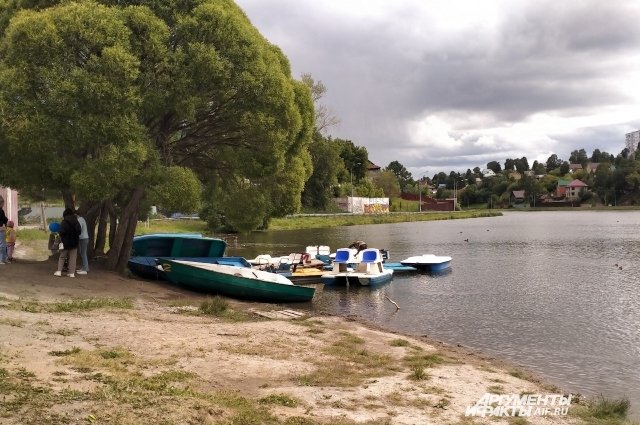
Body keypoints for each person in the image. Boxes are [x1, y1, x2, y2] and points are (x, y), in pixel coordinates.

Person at [54, 208, 81, 278]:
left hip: (65, 242)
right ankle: (71, 273)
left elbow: (62, 232)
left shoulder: (64, 222)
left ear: (65, 214)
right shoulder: (76, 221)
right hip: (75, 242)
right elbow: (79, 231)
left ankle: (59, 271)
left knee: (62, 257)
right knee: (73, 258)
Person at [0, 197, 7, 264]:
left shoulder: (1, 211)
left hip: (2, 228)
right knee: (2, 245)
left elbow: (4, 219)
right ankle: (1, 260)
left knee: (3, 244)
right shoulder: (1, 211)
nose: (3, 204)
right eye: (2, 203)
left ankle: (3, 259)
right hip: (1, 228)